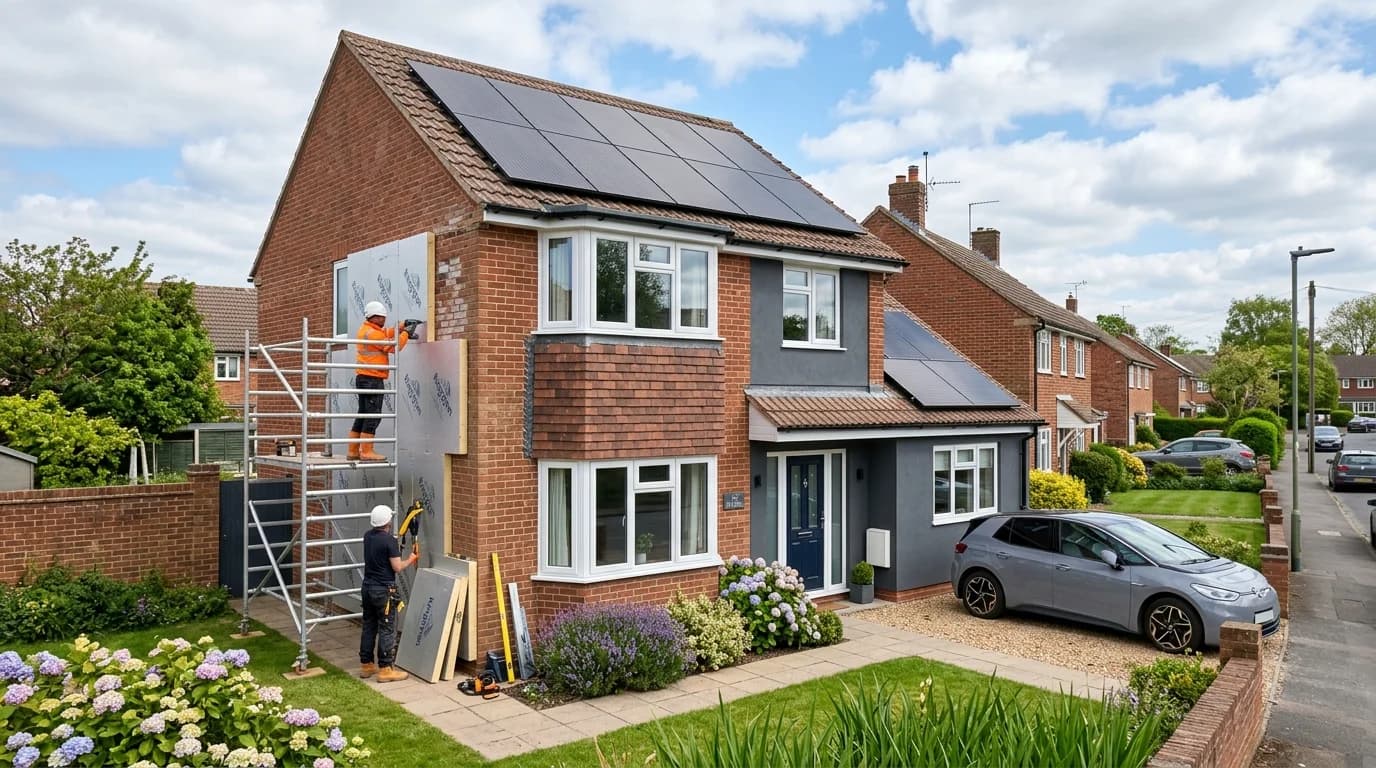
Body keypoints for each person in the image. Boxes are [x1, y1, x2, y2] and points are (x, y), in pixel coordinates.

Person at [347, 301, 417, 461]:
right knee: (373, 415)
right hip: (372, 378)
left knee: (363, 414)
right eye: (381, 317)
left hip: (365, 377)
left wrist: (401, 327)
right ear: (373, 317)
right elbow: (393, 347)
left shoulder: (368, 329)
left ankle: (352, 451)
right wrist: (405, 333)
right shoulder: (372, 333)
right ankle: (366, 451)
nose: (384, 320)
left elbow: (385, 333)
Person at [359, 504, 419, 682]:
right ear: (388, 522)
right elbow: (397, 567)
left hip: (367, 588)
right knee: (387, 628)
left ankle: (366, 665)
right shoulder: (389, 541)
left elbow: (382, 556)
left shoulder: (368, 536)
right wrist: (411, 558)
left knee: (369, 626)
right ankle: (385, 669)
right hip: (383, 591)